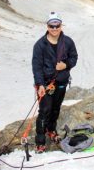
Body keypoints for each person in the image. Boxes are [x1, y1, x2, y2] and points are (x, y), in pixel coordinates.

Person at [32, 12, 78, 153]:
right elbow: (37, 66)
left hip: (61, 81)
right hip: (45, 84)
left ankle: (51, 130)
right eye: (51, 26)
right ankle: (40, 141)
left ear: (60, 26)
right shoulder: (40, 45)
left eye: (57, 25)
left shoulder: (68, 42)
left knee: (56, 108)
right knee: (44, 110)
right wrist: (39, 84)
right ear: (47, 26)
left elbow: (74, 57)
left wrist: (66, 65)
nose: (54, 28)